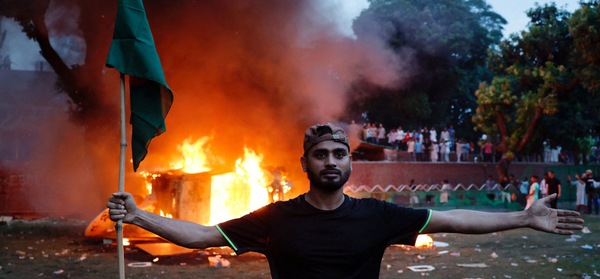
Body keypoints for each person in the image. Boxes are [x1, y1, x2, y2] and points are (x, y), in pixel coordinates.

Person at [107, 124, 583, 279]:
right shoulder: (276, 218)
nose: (331, 161)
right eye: (321, 155)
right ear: (306, 164)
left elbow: (454, 219)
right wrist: (138, 214)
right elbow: (205, 236)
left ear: (350, 163)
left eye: (340, 153)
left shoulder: (378, 216)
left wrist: (521, 217)